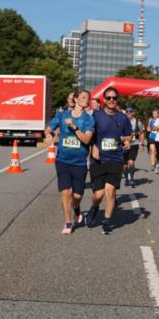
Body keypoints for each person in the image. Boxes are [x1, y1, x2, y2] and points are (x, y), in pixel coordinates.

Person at [45, 90, 95, 235]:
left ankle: (77, 208)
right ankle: (68, 222)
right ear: (76, 99)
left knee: (77, 196)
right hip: (63, 160)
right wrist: (48, 135)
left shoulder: (89, 119)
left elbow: (87, 139)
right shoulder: (62, 115)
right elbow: (48, 128)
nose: (86, 99)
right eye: (83, 97)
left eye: (88, 98)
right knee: (66, 192)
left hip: (79, 162)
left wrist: (74, 127)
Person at [85, 86, 132, 235]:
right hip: (98, 159)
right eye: (109, 98)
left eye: (114, 98)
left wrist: (127, 141)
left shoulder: (123, 118)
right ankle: (94, 207)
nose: (112, 100)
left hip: (116, 158)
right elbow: (89, 135)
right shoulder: (96, 115)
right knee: (98, 194)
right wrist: (93, 146)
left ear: (117, 100)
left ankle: (106, 221)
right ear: (104, 100)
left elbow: (128, 134)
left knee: (110, 191)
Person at [123, 106, 144, 187]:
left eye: (130, 111)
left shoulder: (138, 122)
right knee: (124, 165)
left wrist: (141, 143)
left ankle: (131, 179)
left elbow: (142, 133)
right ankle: (126, 179)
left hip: (134, 144)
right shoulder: (122, 121)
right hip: (124, 145)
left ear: (133, 113)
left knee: (131, 162)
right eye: (127, 111)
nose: (128, 113)